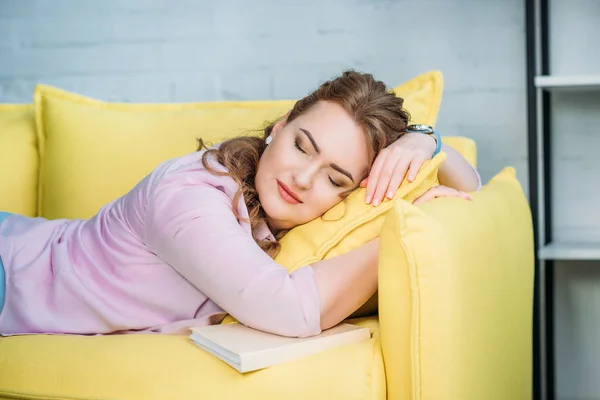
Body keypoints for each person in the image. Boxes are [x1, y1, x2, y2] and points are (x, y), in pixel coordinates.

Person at [0, 71, 480, 337]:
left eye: (335, 178)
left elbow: (471, 187)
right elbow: (289, 310)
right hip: (11, 275)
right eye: (301, 146)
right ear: (279, 127)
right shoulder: (187, 194)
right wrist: (403, 232)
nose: (302, 177)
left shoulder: (284, 218)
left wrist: (426, 141)